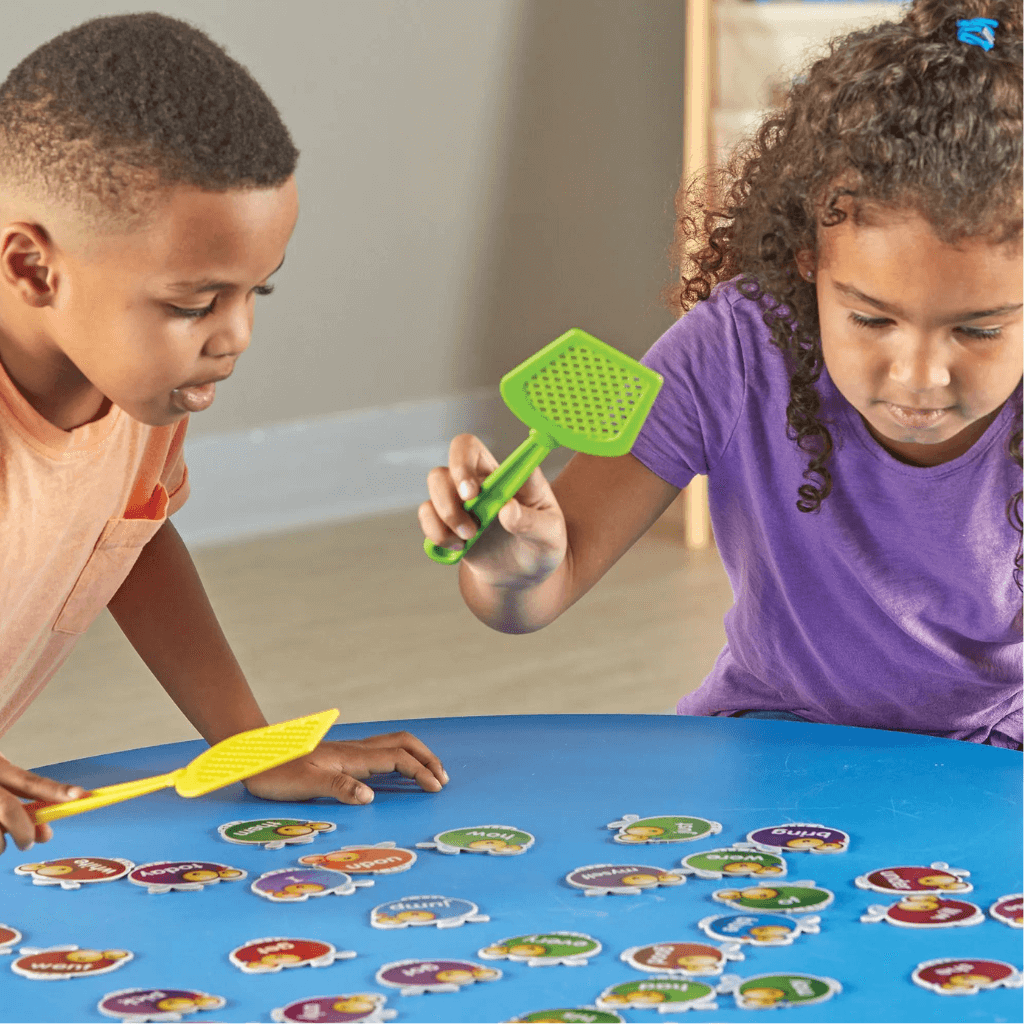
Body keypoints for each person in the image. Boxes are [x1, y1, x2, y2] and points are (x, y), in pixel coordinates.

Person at [420, 0, 1022, 748]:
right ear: (810, 259)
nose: (921, 375)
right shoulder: (739, 351)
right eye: (871, 319)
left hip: (996, 758)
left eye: (979, 329)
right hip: (775, 740)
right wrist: (515, 569)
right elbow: (544, 586)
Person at [0, 13, 447, 855]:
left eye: (256, 294)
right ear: (32, 268)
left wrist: (249, 745)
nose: (235, 336)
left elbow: (124, 540)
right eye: (193, 305)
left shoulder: (137, 402)